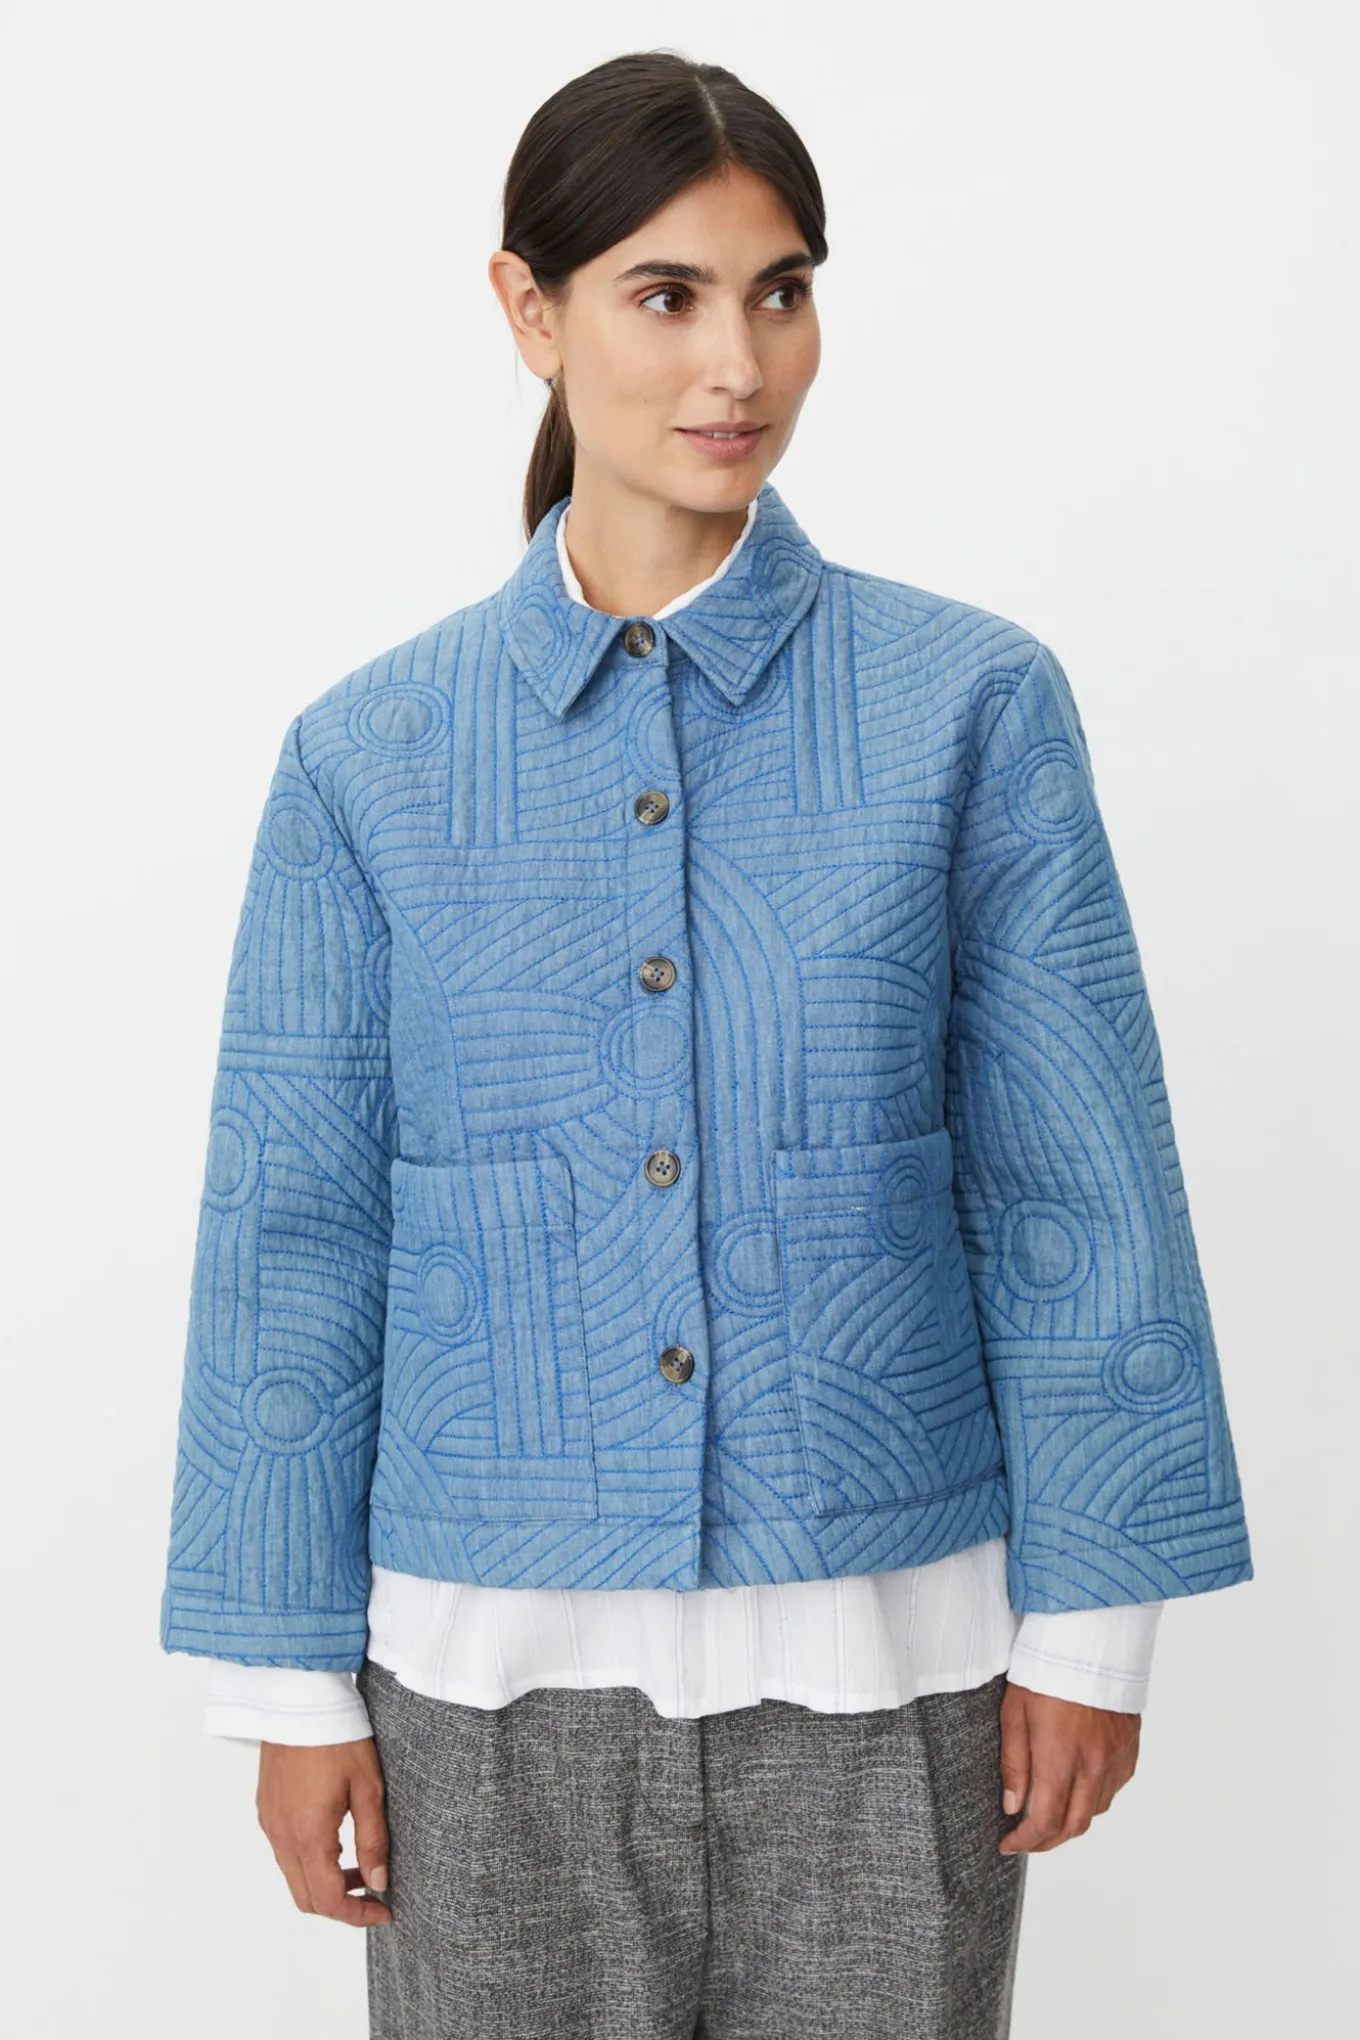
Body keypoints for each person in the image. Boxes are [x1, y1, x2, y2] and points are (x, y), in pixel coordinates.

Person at [158, 48, 1254, 2040]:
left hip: (888, 1666)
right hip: (478, 1692)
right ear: (530, 310)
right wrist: (283, 1684)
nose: (737, 362)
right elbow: (294, 1235)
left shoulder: (968, 707)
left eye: (781, 291)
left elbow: (1073, 1186)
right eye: (665, 295)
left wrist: (1094, 1630)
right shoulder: (369, 759)